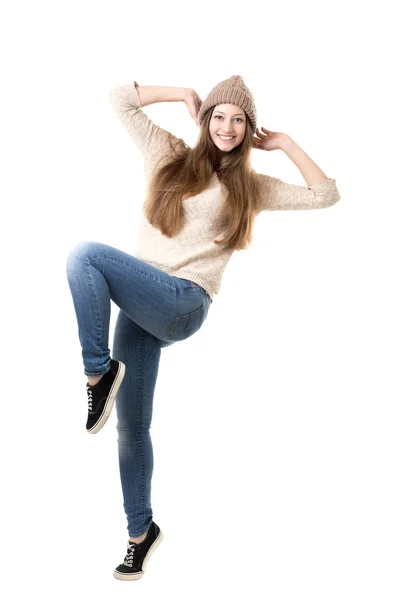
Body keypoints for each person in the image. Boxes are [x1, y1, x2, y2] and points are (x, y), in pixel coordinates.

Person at [65, 75, 341, 580]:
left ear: (248, 128)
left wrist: (286, 144)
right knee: (131, 428)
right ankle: (139, 533)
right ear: (206, 118)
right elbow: (117, 99)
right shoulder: (166, 152)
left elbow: (325, 195)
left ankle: (95, 373)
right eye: (220, 115)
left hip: (184, 302)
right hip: (142, 307)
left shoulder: (251, 186)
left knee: (86, 257)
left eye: (239, 120)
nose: (229, 127)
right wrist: (180, 93)